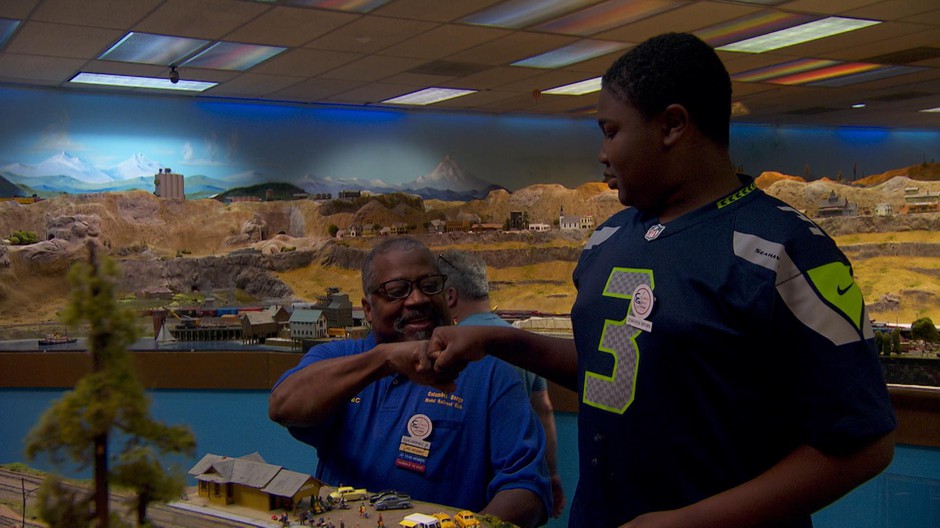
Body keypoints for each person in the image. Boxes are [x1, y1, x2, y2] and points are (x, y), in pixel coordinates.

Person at [425, 33, 897, 528]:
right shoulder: (607, 240)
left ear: (672, 125)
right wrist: (498, 338)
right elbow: (617, 370)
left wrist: (688, 522)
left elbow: (865, 443)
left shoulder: (784, 249)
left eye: (611, 131)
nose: (602, 154)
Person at [269, 237, 550, 528]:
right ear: (367, 309)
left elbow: (528, 492)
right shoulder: (339, 356)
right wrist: (384, 360)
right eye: (397, 291)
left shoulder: (489, 371)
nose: (417, 299)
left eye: (429, 286)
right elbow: (283, 406)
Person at [439, 249, 566, 519]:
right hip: (519, 496)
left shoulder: (444, 351)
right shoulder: (522, 343)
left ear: (449, 295)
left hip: (464, 496)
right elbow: (544, 410)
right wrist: (552, 474)